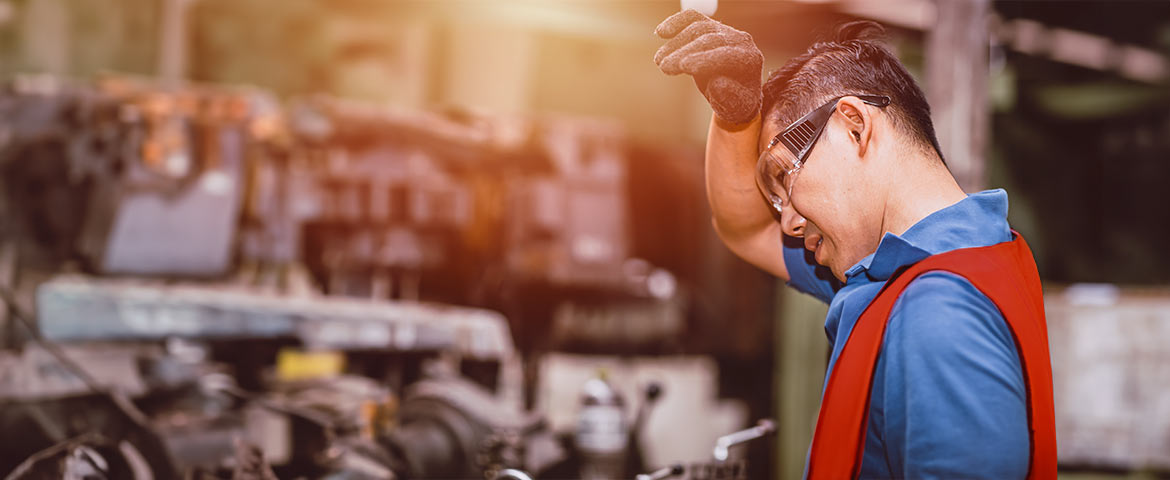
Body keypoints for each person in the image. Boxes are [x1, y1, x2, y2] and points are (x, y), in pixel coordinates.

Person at [653, 10, 1056, 480]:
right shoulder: (916, 271)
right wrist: (735, 119)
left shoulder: (938, 309)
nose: (787, 222)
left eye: (785, 176)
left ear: (855, 127)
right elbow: (745, 228)